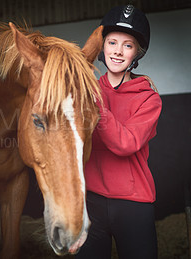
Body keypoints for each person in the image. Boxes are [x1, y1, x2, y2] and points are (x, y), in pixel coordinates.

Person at [76, 5, 162, 259]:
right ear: (102, 47)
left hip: (134, 205)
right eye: (112, 42)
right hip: (91, 202)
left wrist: (97, 105)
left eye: (128, 45)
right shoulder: (86, 90)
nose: (117, 50)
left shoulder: (149, 99)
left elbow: (126, 144)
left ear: (137, 53)